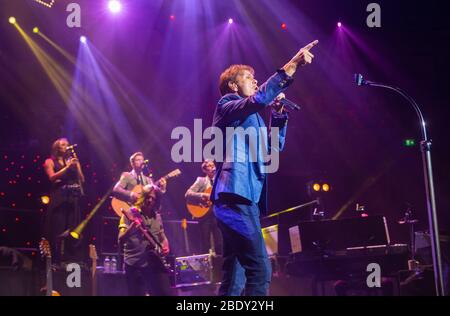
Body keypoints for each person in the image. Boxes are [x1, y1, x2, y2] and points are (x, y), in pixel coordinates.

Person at [211, 40, 318, 296]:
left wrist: (278, 114)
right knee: (260, 270)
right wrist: (291, 66)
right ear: (234, 86)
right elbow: (257, 100)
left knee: (234, 278)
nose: (255, 82)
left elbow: (273, 150)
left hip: (245, 198)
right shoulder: (227, 105)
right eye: (250, 78)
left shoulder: (254, 117)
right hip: (234, 196)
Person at [114, 152, 172, 296]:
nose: (142, 162)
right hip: (134, 259)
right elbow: (116, 190)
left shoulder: (148, 180)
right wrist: (132, 195)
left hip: (151, 260)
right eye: (138, 160)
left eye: (142, 159)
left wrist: (162, 189)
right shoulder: (127, 176)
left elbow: (155, 195)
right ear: (132, 163)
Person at [43, 138, 85, 264]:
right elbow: (52, 177)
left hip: (72, 198)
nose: (66, 146)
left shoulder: (72, 161)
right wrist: (67, 168)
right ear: (57, 147)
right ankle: (54, 260)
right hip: (59, 197)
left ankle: (70, 259)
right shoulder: (49, 161)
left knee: (72, 228)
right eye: (63, 144)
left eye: (67, 144)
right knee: (58, 227)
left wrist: (76, 166)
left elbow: (82, 179)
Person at [185, 159, 222, 255]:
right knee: (205, 243)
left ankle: (220, 266)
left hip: (217, 215)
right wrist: (202, 195)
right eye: (209, 166)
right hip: (204, 215)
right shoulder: (201, 181)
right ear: (205, 170)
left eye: (213, 165)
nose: (212, 167)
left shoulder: (220, 180)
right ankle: (205, 268)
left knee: (219, 243)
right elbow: (188, 194)